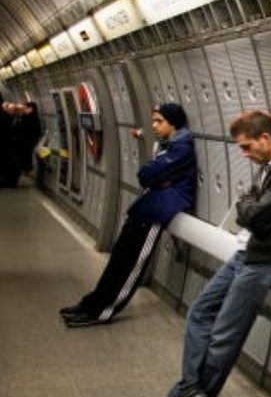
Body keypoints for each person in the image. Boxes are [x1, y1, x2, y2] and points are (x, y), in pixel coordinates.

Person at [148, 110, 271, 397]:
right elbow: (248, 206)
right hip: (246, 253)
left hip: (265, 260)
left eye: (247, 147)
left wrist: (247, 205)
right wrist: (247, 205)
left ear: (265, 138)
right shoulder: (269, 168)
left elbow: (256, 214)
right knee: (199, 312)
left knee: (225, 333)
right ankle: (190, 392)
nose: (244, 153)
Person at [61, 103, 196, 327]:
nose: (154, 125)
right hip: (146, 208)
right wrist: (156, 175)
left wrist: (155, 174)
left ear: (174, 123)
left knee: (131, 266)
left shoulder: (182, 149)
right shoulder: (167, 146)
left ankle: (103, 312)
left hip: (158, 212)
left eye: (159, 121)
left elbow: (147, 174)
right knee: (118, 260)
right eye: (153, 120)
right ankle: (92, 303)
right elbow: (149, 175)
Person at [9, 101, 42, 177]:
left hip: (27, 142)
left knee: (26, 157)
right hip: (21, 141)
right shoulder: (23, 117)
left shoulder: (33, 119)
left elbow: (36, 131)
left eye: (26, 108)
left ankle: (25, 170)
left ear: (31, 109)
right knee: (22, 157)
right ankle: (23, 169)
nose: (24, 109)